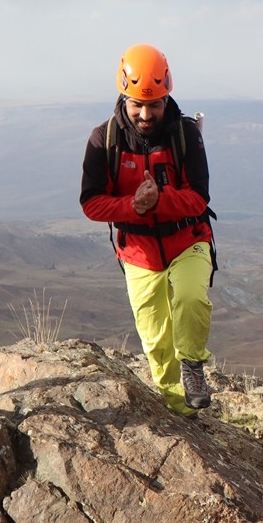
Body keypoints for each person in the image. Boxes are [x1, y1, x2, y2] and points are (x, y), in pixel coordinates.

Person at [80, 44, 214, 418]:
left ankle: (192, 366)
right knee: (155, 338)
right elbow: (91, 202)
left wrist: (161, 201)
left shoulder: (186, 134)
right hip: (138, 251)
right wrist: (132, 207)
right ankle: (181, 411)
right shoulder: (103, 139)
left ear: (167, 95)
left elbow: (199, 197)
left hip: (188, 240)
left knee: (190, 297)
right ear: (124, 96)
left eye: (154, 104)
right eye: (138, 103)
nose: (145, 113)